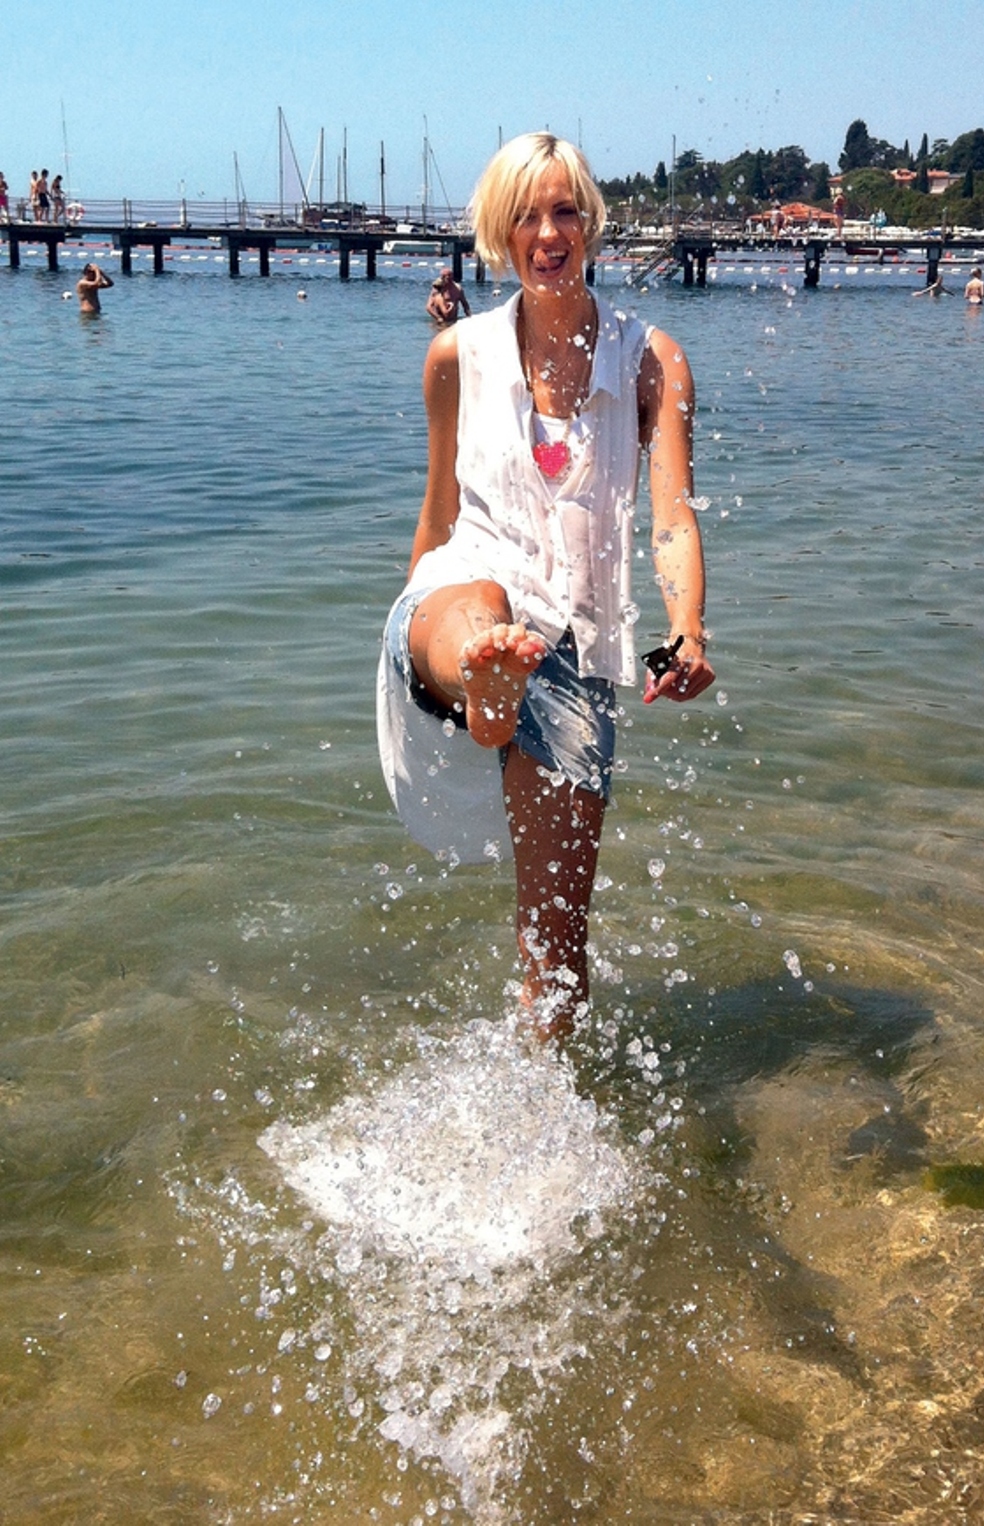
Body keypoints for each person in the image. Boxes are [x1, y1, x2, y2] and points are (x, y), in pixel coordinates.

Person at [377, 132, 714, 1042]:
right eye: (526, 215)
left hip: (572, 653)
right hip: (459, 603)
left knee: (557, 949)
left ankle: (544, 1104)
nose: (548, 232)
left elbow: (672, 519)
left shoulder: (649, 360)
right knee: (479, 604)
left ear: (590, 223)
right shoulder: (457, 355)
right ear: (500, 231)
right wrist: (414, 628)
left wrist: (685, 632)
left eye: (564, 210)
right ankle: (478, 680)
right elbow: (438, 517)